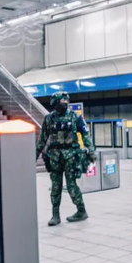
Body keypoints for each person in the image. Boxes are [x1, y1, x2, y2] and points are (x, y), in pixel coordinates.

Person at [36, 91, 96, 226]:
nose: (64, 104)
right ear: (55, 103)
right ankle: (55, 215)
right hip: (55, 158)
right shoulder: (49, 119)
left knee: (71, 185)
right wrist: (35, 155)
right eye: (61, 102)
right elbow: (42, 139)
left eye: (65, 102)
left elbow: (85, 135)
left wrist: (91, 151)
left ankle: (81, 210)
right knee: (55, 187)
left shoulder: (75, 117)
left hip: (71, 157)